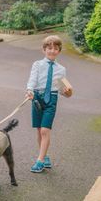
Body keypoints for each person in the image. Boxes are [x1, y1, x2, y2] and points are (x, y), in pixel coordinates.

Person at [25, 35, 72, 173]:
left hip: (51, 99)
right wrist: (29, 91)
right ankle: (44, 156)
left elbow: (64, 90)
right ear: (44, 49)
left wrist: (68, 91)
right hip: (37, 98)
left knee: (45, 130)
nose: (52, 51)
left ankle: (39, 161)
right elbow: (32, 79)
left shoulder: (61, 69)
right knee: (39, 130)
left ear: (59, 51)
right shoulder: (37, 65)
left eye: (55, 49)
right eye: (49, 48)